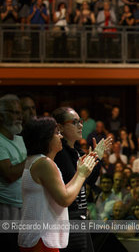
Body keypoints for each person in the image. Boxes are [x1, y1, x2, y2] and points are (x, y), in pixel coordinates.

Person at [18, 117, 98, 251]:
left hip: (37, 237)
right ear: (45, 138)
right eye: (56, 133)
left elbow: (61, 192)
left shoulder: (36, 160)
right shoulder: (44, 163)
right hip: (41, 239)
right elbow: (64, 199)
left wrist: (79, 172)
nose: (61, 136)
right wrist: (82, 175)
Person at [53, 107, 111, 252]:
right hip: (68, 217)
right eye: (75, 122)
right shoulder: (59, 154)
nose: (80, 125)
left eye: (81, 121)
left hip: (80, 216)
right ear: (60, 127)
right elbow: (70, 183)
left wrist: (97, 159)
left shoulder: (78, 151)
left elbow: (88, 181)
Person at [0, 95, 27, 252]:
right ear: (1, 115)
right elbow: (9, 174)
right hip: (5, 209)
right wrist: (32, 158)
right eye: (14, 112)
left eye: (20, 112)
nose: (19, 117)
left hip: (23, 207)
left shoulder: (20, 140)